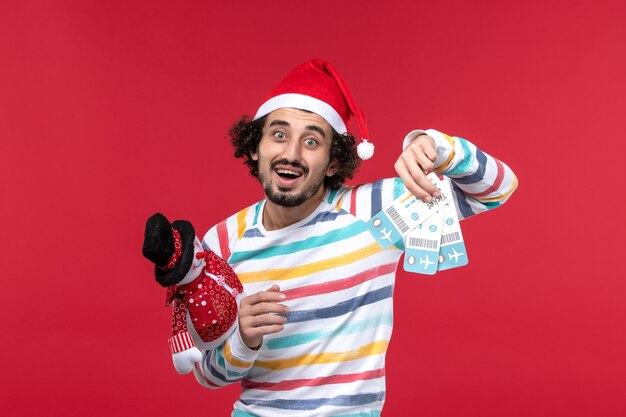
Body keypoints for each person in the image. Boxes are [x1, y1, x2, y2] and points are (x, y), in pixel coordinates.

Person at [192, 58, 518, 417]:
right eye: (279, 135)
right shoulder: (220, 245)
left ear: (333, 162)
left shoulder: (374, 209)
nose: (291, 154)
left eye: (312, 141)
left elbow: (496, 190)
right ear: (256, 146)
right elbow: (205, 373)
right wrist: (242, 340)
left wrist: (439, 148)